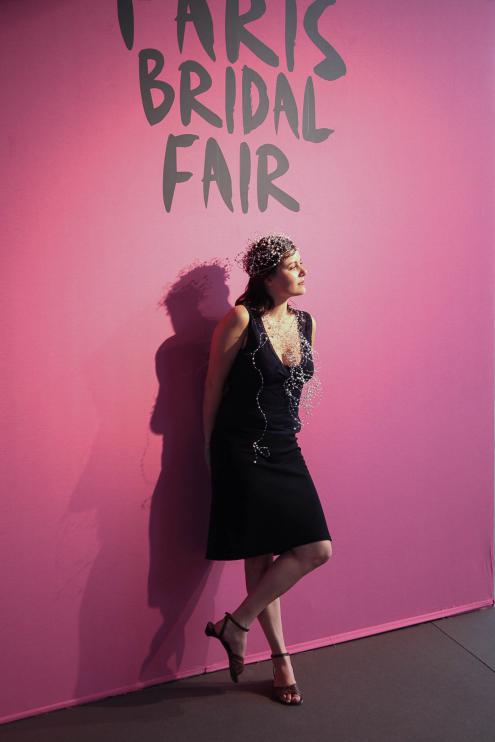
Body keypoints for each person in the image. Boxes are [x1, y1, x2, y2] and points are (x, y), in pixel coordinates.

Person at [202, 234, 333, 706]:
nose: (303, 271)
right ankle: (281, 661)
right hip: (242, 449)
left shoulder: (306, 322)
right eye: (294, 265)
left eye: (301, 263)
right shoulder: (241, 319)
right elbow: (213, 387)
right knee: (258, 557)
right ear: (268, 275)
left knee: (316, 549)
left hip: (285, 447)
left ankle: (234, 625)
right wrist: (209, 451)